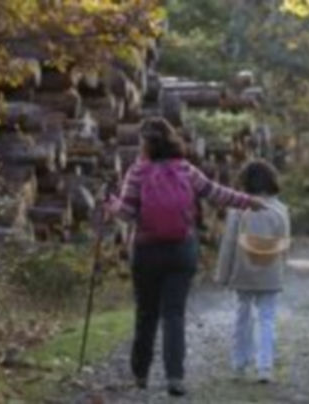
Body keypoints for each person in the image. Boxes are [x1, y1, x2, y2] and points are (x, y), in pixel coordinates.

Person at [110, 117, 264, 397]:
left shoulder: (137, 172)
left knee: (146, 314)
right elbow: (216, 193)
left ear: (144, 144)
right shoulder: (185, 169)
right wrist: (248, 201)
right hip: (182, 250)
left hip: (146, 251)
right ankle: (175, 377)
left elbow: (127, 214)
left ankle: (141, 375)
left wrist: (112, 206)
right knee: (174, 314)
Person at [215, 160, 290, 384]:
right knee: (267, 317)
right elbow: (285, 244)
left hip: (244, 271)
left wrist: (223, 274)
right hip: (270, 270)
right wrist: (280, 269)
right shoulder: (281, 209)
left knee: (242, 315)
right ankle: (264, 367)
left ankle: (239, 364)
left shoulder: (239, 208)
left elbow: (229, 243)